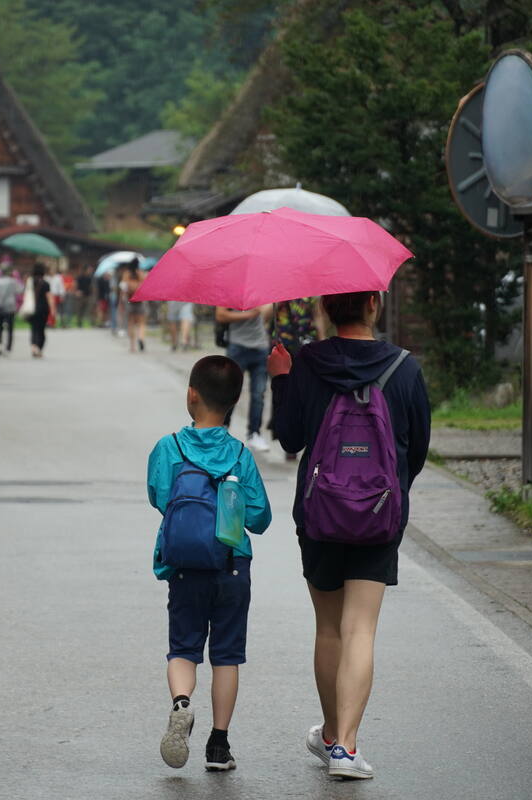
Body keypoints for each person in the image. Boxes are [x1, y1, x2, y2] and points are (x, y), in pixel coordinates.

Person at [269, 290, 430, 781]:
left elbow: (291, 440)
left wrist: (281, 380)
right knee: (361, 628)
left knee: (329, 628)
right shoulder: (405, 368)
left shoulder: (306, 363)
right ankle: (346, 750)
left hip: (319, 515)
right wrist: (389, 490)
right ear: (374, 306)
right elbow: (417, 449)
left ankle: (334, 735)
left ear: (324, 309)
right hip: (379, 517)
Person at [148, 355, 272, 773]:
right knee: (226, 655)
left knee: (183, 648)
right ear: (235, 403)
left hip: (185, 565)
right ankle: (218, 746)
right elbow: (260, 518)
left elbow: (160, 497)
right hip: (232, 566)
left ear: (191, 394)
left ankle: (182, 704)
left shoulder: (169, 447)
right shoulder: (240, 455)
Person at [269, 298, 328, 458]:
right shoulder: (276, 289)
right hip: (283, 345)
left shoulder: (312, 292)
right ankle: (288, 432)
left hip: (306, 344)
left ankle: (304, 430)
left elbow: (317, 316)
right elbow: (265, 315)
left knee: (306, 390)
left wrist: (322, 340)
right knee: (284, 387)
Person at [216, 305, 274, 451]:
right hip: (237, 347)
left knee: (258, 394)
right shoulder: (230, 290)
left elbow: (265, 316)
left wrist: (267, 309)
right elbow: (220, 315)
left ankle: (254, 433)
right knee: (230, 390)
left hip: (260, 346)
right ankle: (222, 428)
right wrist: (249, 314)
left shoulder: (262, 289)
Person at [0, 268, 24, 356]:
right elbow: (20, 291)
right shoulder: (13, 281)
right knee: (10, 328)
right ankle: (8, 347)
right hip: (10, 306)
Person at [120, 260, 147, 352]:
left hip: (130, 301)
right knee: (141, 323)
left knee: (131, 323)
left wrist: (121, 301)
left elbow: (123, 288)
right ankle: (141, 338)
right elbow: (144, 287)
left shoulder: (126, 274)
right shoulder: (141, 273)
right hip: (140, 301)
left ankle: (132, 346)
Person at [27, 263, 51, 358]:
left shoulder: (30, 282)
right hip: (43, 309)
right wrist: (53, 309)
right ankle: (39, 348)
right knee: (41, 329)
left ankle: (33, 346)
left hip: (31, 308)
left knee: (33, 328)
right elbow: (49, 297)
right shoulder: (45, 284)